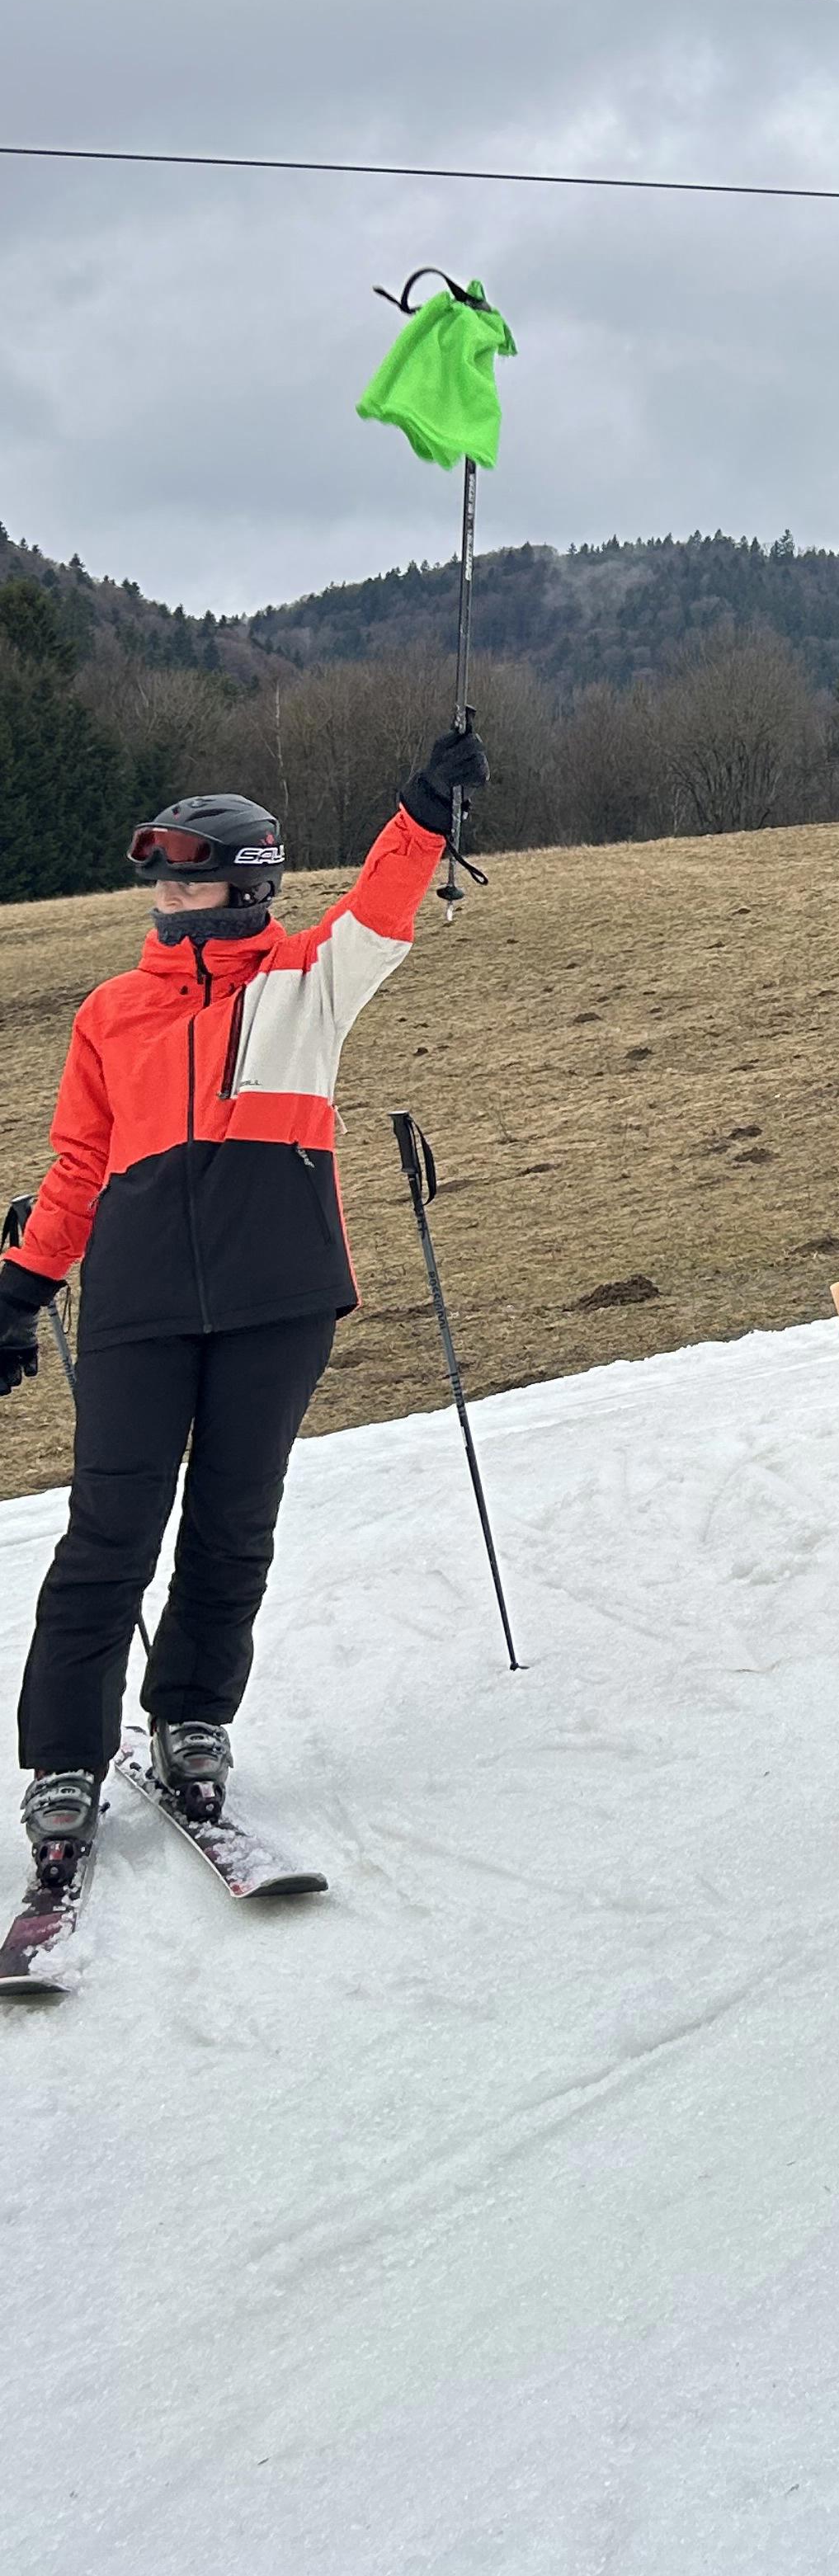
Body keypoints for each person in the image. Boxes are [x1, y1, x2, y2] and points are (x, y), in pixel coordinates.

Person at [7, 726, 489, 1891]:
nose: (169, 897)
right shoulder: (111, 1012)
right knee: (109, 1533)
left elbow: (380, 908)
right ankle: (64, 1761)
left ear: (249, 884)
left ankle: (192, 1718)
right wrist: (19, 1289)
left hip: (276, 1301)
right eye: (162, 880)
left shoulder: (306, 983)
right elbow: (79, 1168)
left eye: (191, 878)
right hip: (138, 1306)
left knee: (232, 1524)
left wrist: (425, 811)